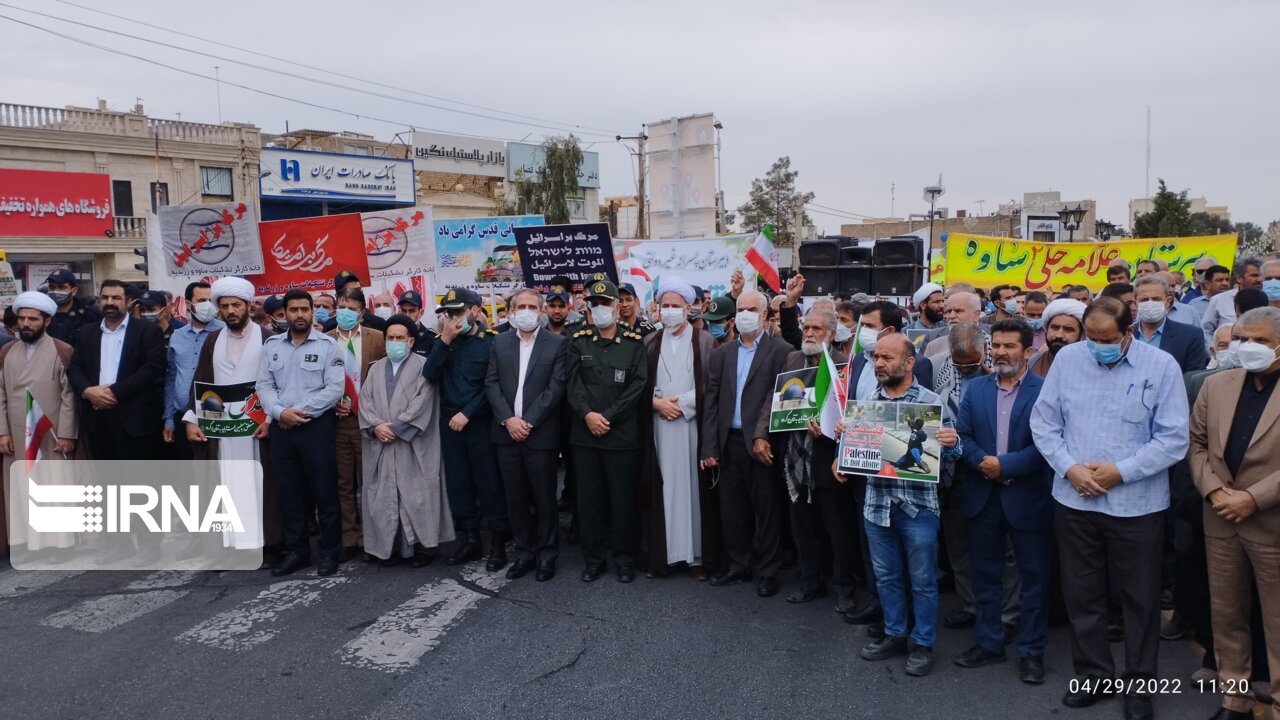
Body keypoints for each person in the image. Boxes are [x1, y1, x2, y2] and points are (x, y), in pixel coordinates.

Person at [1030, 297, 1189, 719]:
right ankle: (1094, 675)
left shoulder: (1161, 368)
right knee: (1083, 595)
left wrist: (1121, 471)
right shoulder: (1068, 362)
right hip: (1074, 499)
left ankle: (1139, 687)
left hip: (1137, 505)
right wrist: (1070, 469)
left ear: (1128, 333)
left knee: (1140, 599)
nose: (1098, 345)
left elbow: (1173, 438)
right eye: (1092, 337)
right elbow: (1043, 423)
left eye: (1108, 339)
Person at [1189, 307, 1280, 720]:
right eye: (1242, 339)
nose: (1248, 348)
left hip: (1271, 523)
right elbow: (1197, 445)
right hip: (1221, 518)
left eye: (1260, 341)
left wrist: (1254, 498)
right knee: (1227, 616)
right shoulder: (1218, 385)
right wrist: (1213, 490)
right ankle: (1235, 701)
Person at [851, 334, 960, 678]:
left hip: (918, 508)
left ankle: (923, 642)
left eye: (887, 357)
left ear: (909, 362)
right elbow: (860, 456)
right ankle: (895, 634)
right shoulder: (868, 400)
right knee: (886, 576)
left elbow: (952, 454)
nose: (879, 363)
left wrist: (952, 443)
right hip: (877, 504)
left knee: (923, 580)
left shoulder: (930, 403)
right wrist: (847, 437)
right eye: (876, 358)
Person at [953, 319, 1052, 685]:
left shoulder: (1045, 391)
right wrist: (984, 464)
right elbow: (963, 435)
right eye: (996, 345)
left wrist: (1005, 466)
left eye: (1010, 346)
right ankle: (988, 642)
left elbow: (1047, 445)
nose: (1001, 352)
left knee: (1033, 580)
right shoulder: (976, 389)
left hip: (1028, 499)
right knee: (986, 575)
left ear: (1028, 351)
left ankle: (1031, 652)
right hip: (983, 496)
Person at [702, 289, 791, 596]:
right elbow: (711, 403)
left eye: (751, 309)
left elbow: (780, 398)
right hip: (730, 443)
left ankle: (767, 571)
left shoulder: (782, 351)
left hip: (762, 445)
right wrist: (709, 447)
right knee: (732, 509)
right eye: (740, 309)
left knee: (766, 510)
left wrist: (762, 435)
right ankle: (739, 565)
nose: (744, 314)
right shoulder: (721, 354)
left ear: (765, 314)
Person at [183, 278, 279, 559]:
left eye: (236, 305)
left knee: (261, 484)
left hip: (257, 428)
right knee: (225, 484)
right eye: (224, 306)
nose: (231, 311)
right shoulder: (213, 340)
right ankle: (229, 546)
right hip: (222, 430)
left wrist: (271, 420)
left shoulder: (268, 337)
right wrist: (191, 419)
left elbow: (278, 382)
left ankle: (265, 544)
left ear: (248, 306)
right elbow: (200, 380)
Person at [638, 277, 724, 580]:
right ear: (658, 309)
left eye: (676, 305)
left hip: (692, 429)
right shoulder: (648, 342)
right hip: (659, 427)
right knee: (663, 490)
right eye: (665, 306)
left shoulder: (706, 342)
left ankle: (697, 557)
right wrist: (656, 404)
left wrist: (684, 403)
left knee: (692, 492)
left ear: (689, 308)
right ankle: (665, 556)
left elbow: (713, 387)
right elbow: (639, 386)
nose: (671, 311)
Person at [256, 289, 346, 577]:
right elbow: (264, 385)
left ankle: (330, 552)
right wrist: (280, 412)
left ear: (311, 311)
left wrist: (298, 412)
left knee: (324, 491)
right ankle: (297, 551)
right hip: (282, 427)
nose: (299, 315)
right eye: (292, 310)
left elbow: (335, 389)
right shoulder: (271, 346)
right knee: (289, 492)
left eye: (304, 310)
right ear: (284, 313)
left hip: (315, 427)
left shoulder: (328, 346)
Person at [564, 277, 647, 582]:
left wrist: (607, 416)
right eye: (594, 304)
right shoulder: (578, 340)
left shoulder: (633, 342)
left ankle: (624, 560)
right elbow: (572, 384)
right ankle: (594, 559)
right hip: (585, 437)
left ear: (617, 307)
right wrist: (588, 415)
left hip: (620, 436)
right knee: (589, 503)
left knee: (622, 501)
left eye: (605, 303)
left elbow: (637, 386)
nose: (600, 309)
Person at [485, 288, 567, 582]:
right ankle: (523, 553)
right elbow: (491, 384)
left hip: (540, 435)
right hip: (506, 434)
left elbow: (555, 388)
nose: (527, 311)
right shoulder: (500, 342)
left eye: (533, 306)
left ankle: (547, 554)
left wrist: (527, 422)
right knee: (515, 499)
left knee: (545, 498)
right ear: (510, 311)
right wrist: (508, 419)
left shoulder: (557, 344)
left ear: (541, 311)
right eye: (521, 306)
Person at [358, 314, 454, 568]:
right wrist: (377, 426)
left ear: (411, 341)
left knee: (417, 494)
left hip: (413, 443)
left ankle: (423, 547)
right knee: (384, 495)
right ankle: (388, 548)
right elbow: (364, 401)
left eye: (400, 338)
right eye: (390, 338)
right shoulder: (376, 367)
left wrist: (398, 428)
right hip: (382, 441)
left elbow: (424, 402)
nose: (394, 342)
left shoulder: (424, 365)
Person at [777, 306, 858, 608]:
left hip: (828, 460)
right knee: (803, 528)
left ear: (832, 335)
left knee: (838, 530)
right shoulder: (792, 360)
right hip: (796, 458)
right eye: (806, 327)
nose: (809, 333)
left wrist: (827, 433)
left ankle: (844, 589)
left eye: (816, 329)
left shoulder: (844, 366)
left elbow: (851, 415)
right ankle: (810, 582)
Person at [425, 287, 508, 570]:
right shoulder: (443, 342)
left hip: (479, 422)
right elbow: (429, 375)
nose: (454, 318)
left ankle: (498, 541)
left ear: (475, 310)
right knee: (458, 483)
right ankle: (470, 539)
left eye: (460, 312)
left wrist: (468, 413)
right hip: (449, 422)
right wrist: (445, 341)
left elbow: (492, 386)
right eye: (449, 313)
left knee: (488, 483)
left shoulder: (491, 342)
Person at [0, 292, 78, 560]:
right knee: (22, 488)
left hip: (50, 434)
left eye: (33, 319)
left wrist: (67, 434)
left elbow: (69, 396)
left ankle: (59, 544)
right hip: (16, 436)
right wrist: (3, 432)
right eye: (22, 318)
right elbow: (0, 393)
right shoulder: (8, 351)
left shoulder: (62, 350)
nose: (26, 324)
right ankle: (27, 544)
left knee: (53, 487)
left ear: (46, 321)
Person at [67, 279, 167, 462]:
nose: (109, 302)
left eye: (116, 297)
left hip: (134, 420)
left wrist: (112, 393)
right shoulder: (87, 333)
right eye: (104, 297)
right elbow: (74, 368)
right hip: (96, 418)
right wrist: (88, 391)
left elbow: (152, 368)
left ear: (128, 302)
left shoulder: (147, 331)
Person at [326, 287, 386, 560]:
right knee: (343, 483)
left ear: (362, 312)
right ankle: (350, 537)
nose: (345, 312)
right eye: (341, 306)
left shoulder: (378, 338)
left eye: (351, 308)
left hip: (369, 421)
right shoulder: (325, 341)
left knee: (370, 481)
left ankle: (372, 538)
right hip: (338, 423)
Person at [164, 281, 222, 461]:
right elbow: (172, 378)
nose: (208, 306)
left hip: (215, 417)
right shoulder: (177, 336)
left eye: (211, 301)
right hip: (182, 416)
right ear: (189, 305)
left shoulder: (224, 332)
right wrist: (169, 418)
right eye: (202, 300)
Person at [1133, 276, 1209, 374]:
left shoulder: (1190, 336)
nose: (1150, 303)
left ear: (1168, 302)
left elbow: (1192, 379)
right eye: (1144, 300)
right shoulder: (1124, 334)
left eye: (1156, 299)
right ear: (1135, 303)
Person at [1203, 256, 1263, 348]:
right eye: (1254, 275)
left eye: (1261, 275)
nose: (1259, 280)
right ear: (1239, 278)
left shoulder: (1270, 299)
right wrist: (1215, 353)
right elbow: (1206, 330)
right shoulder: (1219, 300)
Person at [44, 267, 102, 347]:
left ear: (74, 291)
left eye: (62, 287)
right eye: (52, 287)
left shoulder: (90, 315)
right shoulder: (43, 314)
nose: (56, 291)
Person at [1029, 299, 1086, 378]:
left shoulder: (1090, 365)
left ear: (1082, 335)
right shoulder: (1034, 361)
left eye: (1068, 329)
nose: (1059, 335)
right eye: (1055, 327)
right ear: (1046, 330)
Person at [923, 291, 984, 358]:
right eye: (948, 311)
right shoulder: (933, 346)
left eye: (958, 311)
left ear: (976, 314)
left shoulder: (993, 342)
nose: (951, 316)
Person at [322, 270, 387, 333]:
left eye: (357, 290)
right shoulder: (329, 327)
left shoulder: (378, 324)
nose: (353, 294)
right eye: (348, 291)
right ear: (337, 297)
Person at [396, 290, 437, 358]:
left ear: (421, 313)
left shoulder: (431, 338)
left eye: (412, 311)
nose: (407, 315)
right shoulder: (393, 335)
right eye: (404, 311)